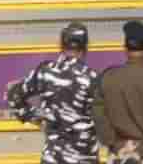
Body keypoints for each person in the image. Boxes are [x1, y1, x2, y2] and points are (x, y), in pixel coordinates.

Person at [7, 23, 99, 164]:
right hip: (85, 157)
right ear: (86, 46)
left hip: (53, 157)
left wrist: (37, 118)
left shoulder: (45, 72)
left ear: (61, 45)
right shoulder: (92, 79)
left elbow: (13, 96)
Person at [93, 21, 143, 164]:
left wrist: (118, 146)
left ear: (125, 49)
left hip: (118, 156)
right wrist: (139, 151)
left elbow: (99, 118)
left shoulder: (107, 78)